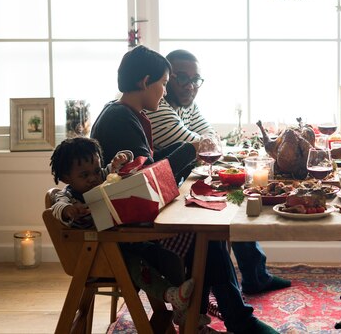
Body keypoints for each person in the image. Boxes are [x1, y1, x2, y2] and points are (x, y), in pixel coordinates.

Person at [91, 45, 278, 334]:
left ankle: (204, 318)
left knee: (206, 225)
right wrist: (190, 150)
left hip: (128, 215)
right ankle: (234, 320)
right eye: (163, 84)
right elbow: (149, 179)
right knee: (206, 232)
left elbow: (149, 165)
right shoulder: (122, 120)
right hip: (127, 232)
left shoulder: (124, 113)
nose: (164, 92)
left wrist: (185, 150)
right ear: (145, 82)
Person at [146, 49, 291, 295]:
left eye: (196, 80)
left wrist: (207, 142)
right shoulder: (157, 109)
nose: (190, 85)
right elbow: (202, 147)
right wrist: (206, 143)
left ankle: (256, 275)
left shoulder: (186, 104)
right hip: (163, 202)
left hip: (181, 184)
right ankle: (245, 287)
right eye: (182, 78)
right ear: (167, 78)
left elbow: (212, 137)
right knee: (230, 203)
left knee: (237, 195)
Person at [49, 137, 195, 325]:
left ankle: (180, 309)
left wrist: (122, 158)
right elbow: (57, 207)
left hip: (125, 242)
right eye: (84, 175)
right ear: (66, 178)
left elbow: (115, 167)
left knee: (169, 257)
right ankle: (170, 295)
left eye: (95, 170)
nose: (93, 178)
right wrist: (70, 211)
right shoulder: (68, 195)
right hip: (101, 255)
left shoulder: (101, 177)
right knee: (138, 266)